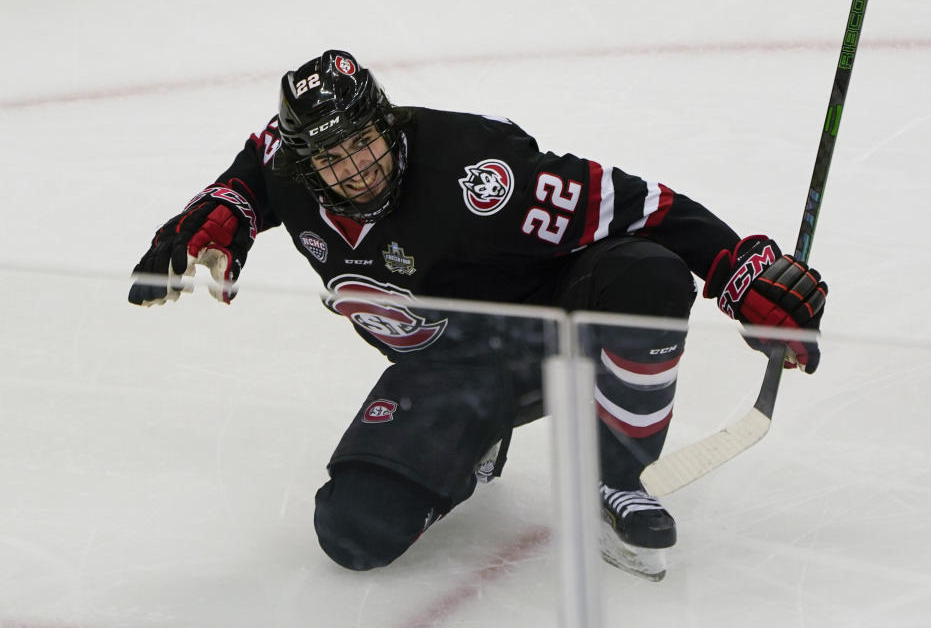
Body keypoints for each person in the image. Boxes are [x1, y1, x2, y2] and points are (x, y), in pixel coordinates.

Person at [128, 50, 827, 579]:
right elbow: (257, 161)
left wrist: (737, 268)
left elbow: (644, 206)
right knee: (354, 531)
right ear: (308, 166)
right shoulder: (291, 172)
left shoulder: (483, 176)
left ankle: (622, 479)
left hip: (555, 320)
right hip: (448, 366)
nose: (359, 167)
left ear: (386, 119)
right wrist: (226, 214)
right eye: (334, 157)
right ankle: (474, 438)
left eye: (366, 139)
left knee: (648, 273)